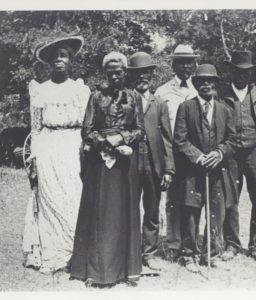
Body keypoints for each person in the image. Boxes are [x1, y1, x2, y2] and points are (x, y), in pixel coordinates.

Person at [70, 52, 144, 288]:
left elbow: (140, 129)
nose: (114, 76)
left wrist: (122, 138)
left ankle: (125, 270)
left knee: (123, 212)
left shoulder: (134, 97)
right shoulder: (96, 97)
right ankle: (97, 271)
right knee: (100, 213)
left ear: (125, 73)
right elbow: (87, 129)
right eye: (110, 72)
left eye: (119, 71)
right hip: (100, 163)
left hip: (125, 164)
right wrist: (106, 143)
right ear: (105, 73)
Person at [22, 36, 91, 273]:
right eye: (55, 56)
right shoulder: (40, 90)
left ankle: (73, 252)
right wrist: (34, 160)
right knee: (50, 197)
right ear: (49, 62)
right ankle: (51, 252)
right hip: (49, 146)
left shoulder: (80, 89)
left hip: (72, 145)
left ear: (71, 60)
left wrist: (85, 151)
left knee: (72, 195)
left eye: (63, 55)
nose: (59, 60)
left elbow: (86, 126)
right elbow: (36, 128)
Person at [173, 64, 236, 273]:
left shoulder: (224, 110)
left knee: (216, 212)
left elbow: (232, 139)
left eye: (210, 81)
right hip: (192, 171)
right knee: (191, 212)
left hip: (217, 172)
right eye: (201, 81)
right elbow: (180, 140)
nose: (206, 84)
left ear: (216, 84)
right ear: (196, 84)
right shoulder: (186, 107)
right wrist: (198, 157)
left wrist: (219, 153)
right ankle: (188, 254)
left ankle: (211, 253)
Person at [221, 50, 256, 264]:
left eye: (247, 72)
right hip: (231, 154)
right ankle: (231, 244)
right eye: (238, 71)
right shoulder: (221, 94)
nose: (243, 76)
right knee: (230, 200)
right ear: (231, 72)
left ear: (251, 74)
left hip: (255, 154)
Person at [127, 52, 175, 271]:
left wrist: (168, 169)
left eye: (146, 73)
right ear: (131, 76)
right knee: (129, 207)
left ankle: (150, 252)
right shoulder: (125, 99)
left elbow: (167, 138)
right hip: (130, 162)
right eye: (137, 73)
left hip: (154, 163)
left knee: (152, 209)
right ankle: (129, 252)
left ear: (151, 75)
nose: (142, 77)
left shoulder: (160, 103)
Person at [155, 44, 199, 261]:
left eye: (189, 62)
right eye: (181, 62)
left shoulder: (199, 89)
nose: (186, 66)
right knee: (172, 198)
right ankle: (173, 244)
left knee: (191, 199)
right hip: (171, 152)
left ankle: (190, 244)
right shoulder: (162, 92)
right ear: (173, 64)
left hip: (193, 154)